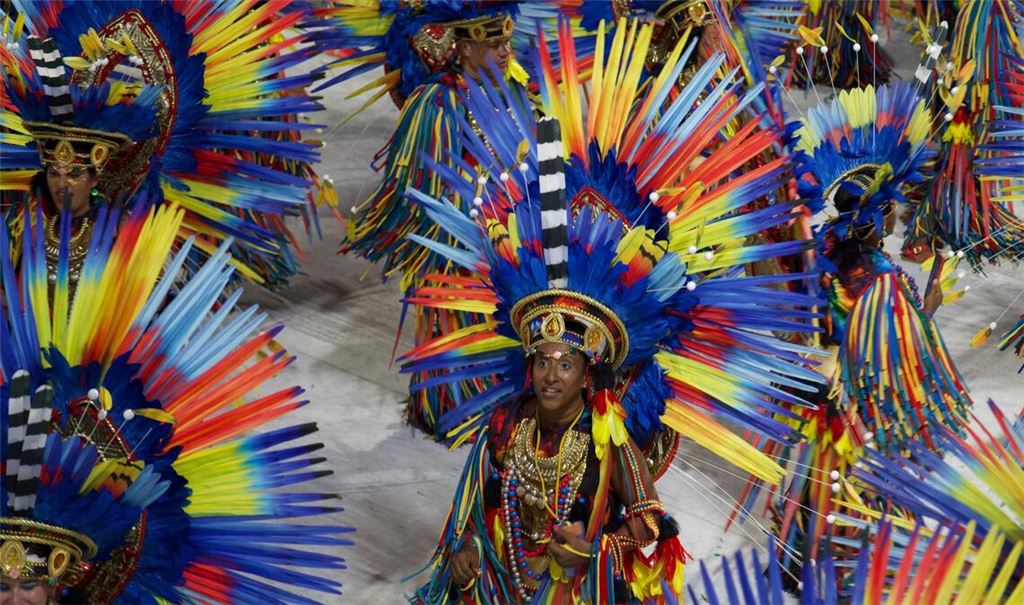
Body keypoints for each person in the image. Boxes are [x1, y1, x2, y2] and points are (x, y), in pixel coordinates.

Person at [403, 18, 826, 601]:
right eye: (544, 360)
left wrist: (596, 550)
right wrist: (469, 547)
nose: (551, 374)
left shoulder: (610, 435)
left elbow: (653, 524)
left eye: (565, 364)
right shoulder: (507, 423)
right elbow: (473, 504)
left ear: (589, 370)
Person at [1, 195, 352, 603]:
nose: (15, 601)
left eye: (27, 584)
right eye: (4, 587)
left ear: (55, 581)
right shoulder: (20, 221)